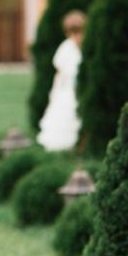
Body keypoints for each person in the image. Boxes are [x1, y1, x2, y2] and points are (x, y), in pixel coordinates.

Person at [37, 10, 86, 152]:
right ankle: (64, 146)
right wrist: (54, 92)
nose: (77, 37)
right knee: (64, 113)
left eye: (79, 32)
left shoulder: (87, 48)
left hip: (82, 88)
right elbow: (60, 74)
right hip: (68, 89)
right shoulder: (65, 48)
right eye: (73, 33)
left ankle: (81, 145)